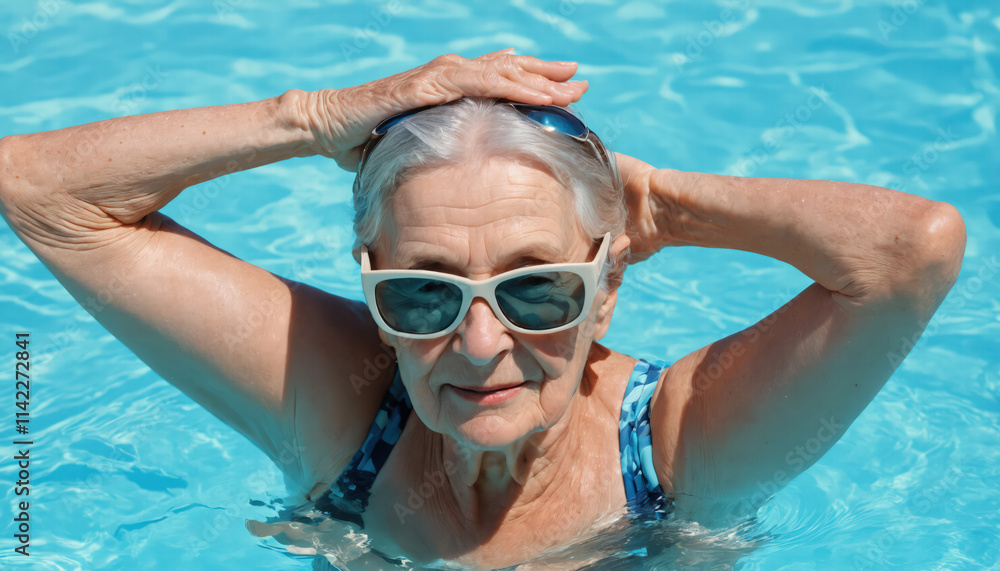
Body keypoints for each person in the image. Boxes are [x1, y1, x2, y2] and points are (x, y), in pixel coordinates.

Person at [0, 50, 965, 569]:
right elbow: (40, 194)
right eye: (423, 291)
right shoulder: (344, 409)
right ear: (372, 288)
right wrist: (307, 118)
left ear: (607, 286)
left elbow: (910, 254)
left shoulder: (676, 453)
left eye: (537, 286)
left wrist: (663, 204)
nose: (478, 342)